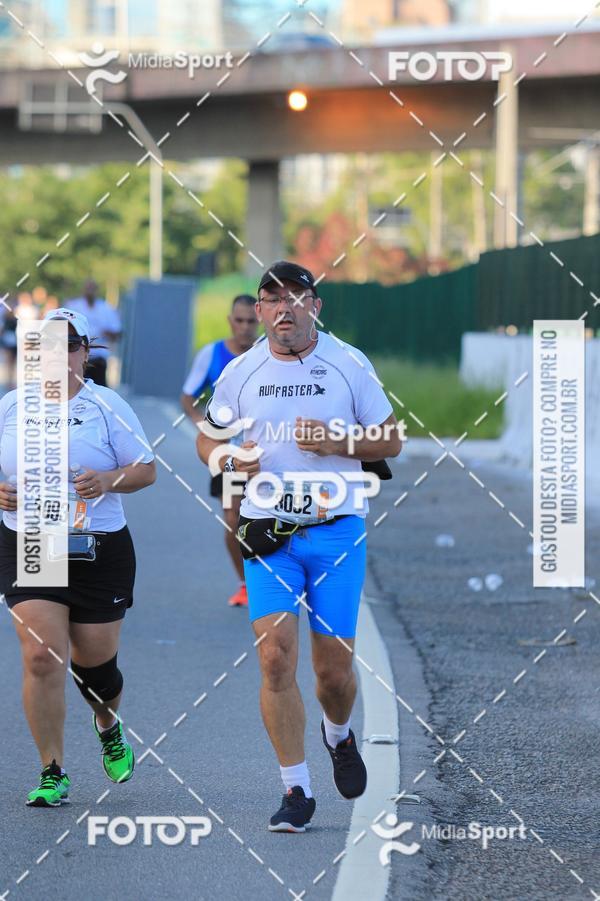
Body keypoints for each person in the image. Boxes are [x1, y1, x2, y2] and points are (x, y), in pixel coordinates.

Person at [197, 261, 402, 832]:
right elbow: (206, 440)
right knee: (274, 657)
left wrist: (340, 441)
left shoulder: (348, 364)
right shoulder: (241, 372)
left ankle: (338, 734)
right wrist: (229, 459)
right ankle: (296, 789)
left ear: (316, 306)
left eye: (295, 297)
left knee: (333, 674)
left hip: (335, 530)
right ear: (259, 311)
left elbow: (391, 439)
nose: (283, 308)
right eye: (271, 299)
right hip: (268, 533)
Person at [0, 308, 156, 807]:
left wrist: (108, 480)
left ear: (85, 353)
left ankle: (107, 721)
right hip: (32, 541)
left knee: (97, 673)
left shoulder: (106, 406)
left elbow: (146, 470)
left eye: (70, 344)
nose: (59, 353)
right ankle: (52, 770)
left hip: (98, 549)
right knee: (41, 658)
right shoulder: (12, 406)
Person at [181, 294, 259, 607]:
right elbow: (188, 397)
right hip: (229, 453)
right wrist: (205, 429)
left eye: (251, 321)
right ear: (230, 321)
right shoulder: (212, 354)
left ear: (260, 321)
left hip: (266, 451)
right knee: (233, 519)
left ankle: (277, 579)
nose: (244, 327)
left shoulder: (270, 353)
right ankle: (245, 583)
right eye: (238, 321)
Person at [65, 280, 121, 387]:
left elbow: (117, 333)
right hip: (77, 357)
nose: (89, 292)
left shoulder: (106, 309)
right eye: (87, 289)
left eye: (92, 289)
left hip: (98, 358)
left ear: (96, 291)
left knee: (98, 389)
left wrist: (108, 333)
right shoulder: (73, 307)